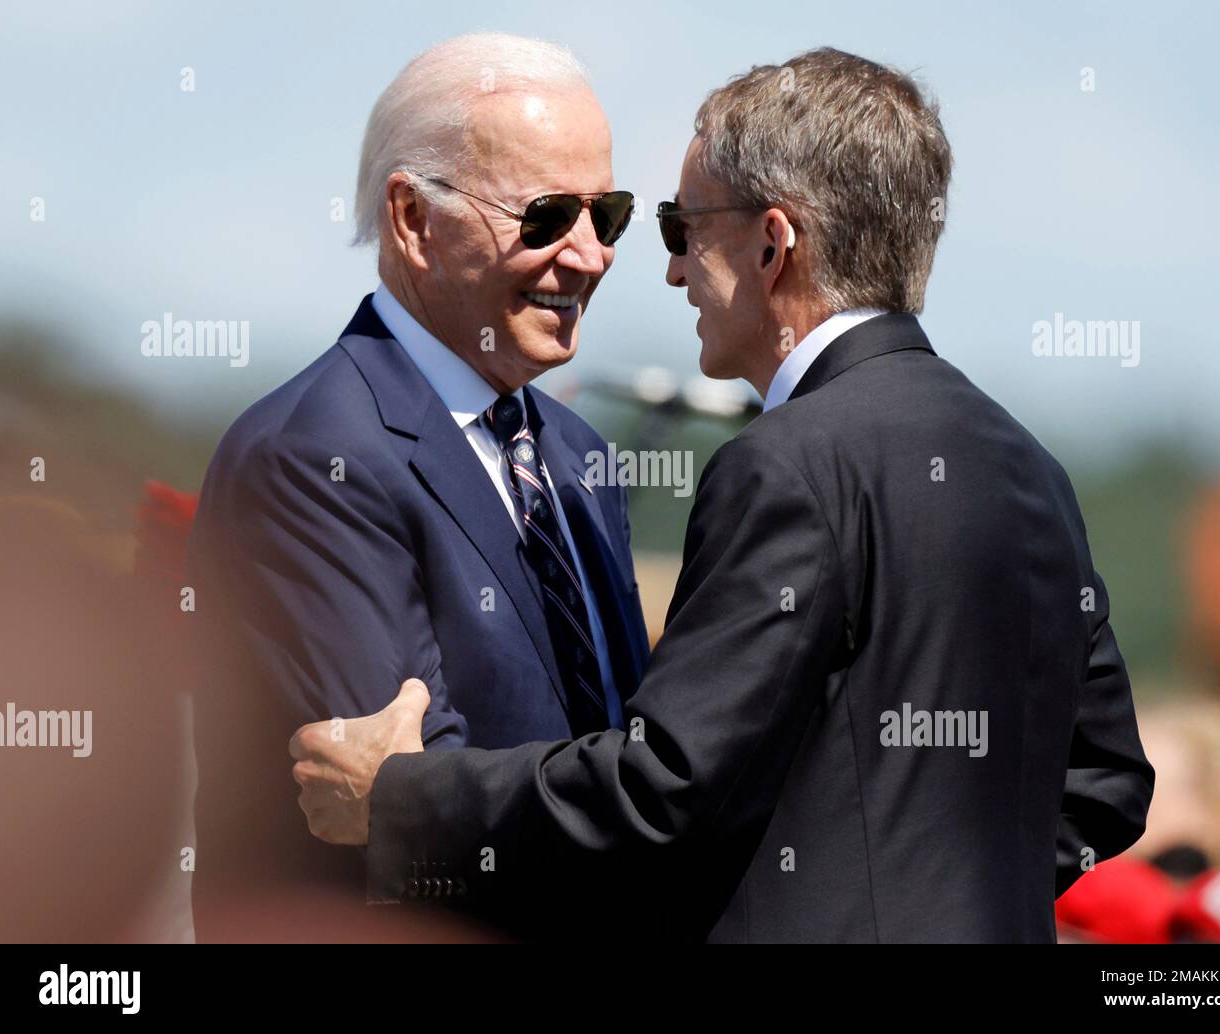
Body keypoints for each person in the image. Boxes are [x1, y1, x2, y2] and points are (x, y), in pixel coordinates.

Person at [291, 47, 1154, 943]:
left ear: (772, 245)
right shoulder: (1029, 468)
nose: (668, 272)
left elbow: (665, 788)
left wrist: (398, 801)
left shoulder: (786, 464)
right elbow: (1105, 779)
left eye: (679, 229)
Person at [189, 33, 647, 940]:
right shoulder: (313, 459)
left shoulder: (577, 454)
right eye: (548, 215)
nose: (590, 256)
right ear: (411, 218)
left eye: (611, 214)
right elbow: (413, 821)